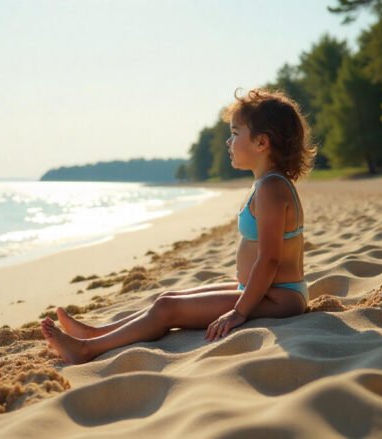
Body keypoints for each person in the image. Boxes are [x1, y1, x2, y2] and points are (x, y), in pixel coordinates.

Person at [41, 88, 317, 364]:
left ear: (261, 143)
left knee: (167, 309)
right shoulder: (266, 183)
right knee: (168, 296)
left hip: (279, 299)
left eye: (235, 133)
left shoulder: (271, 189)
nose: (227, 141)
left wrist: (239, 312)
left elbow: (269, 259)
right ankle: (94, 334)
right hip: (264, 292)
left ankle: (87, 350)